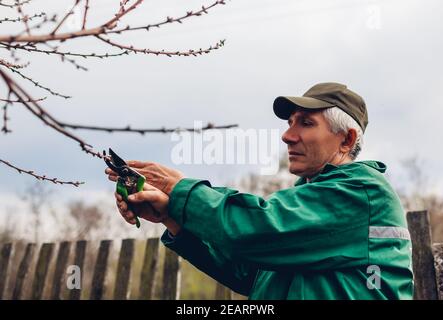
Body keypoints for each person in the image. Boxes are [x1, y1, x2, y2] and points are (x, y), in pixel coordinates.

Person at [105, 82, 414, 299]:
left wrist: (177, 190)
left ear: (346, 140)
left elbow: (257, 227)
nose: (287, 135)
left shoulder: (360, 192)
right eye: (290, 122)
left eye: (305, 123)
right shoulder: (312, 205)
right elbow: (248, 274)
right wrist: (173, 218)